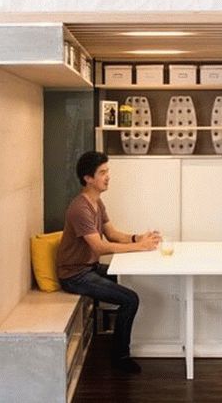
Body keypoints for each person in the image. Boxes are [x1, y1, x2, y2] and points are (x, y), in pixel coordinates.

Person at [56, 151, 161, 374]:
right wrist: (139, 247)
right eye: (102, 172)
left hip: (89, 268)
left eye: (107, 171)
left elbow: (112, 234)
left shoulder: (97, 203)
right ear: (88, 178)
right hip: (74, 275)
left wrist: (137, 238)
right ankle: (121, 357)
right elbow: (100, 247)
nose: (108, 176)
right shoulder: (80, 208)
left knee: (133, 282)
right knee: (130, 299)